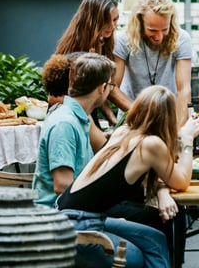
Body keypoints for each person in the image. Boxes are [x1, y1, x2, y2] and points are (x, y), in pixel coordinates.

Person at [57, 85, 199, 268]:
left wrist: (163, 190)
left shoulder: (123, 132)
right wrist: (187, 139)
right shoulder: (151, 144)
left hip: (67, 217)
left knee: (155, 237)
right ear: (168, 119)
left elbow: (158, 177)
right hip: (81, 227)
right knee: (142, 257)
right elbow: (181, 181)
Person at [33, 53, 146, 267]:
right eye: (112, 86)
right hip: (62, 221)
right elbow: (62, 185)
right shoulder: (65, 123)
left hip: (81, 214)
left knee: (154, 237)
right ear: (103, 88)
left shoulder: (79, 117)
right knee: (138, 257)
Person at [56, 0, 132, 131]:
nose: (111, 26)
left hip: (88, 116)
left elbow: (102, 87)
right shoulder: (74, 51)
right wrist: (142, 113)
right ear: (92, 20)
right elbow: (56, 97)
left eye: (115, 20)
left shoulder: (103, 43)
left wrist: (111, 117)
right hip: (72, 120)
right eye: (105, 21)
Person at [113, 0, 192, 126]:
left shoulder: (182, 38)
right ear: (139, 23)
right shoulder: (122, 40)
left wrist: (177, 130)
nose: (159, 37)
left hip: (167, 115)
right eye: (152, 30)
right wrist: (140, 114)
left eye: (164, 30)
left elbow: (184, 89)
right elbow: (112, 87)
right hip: (131, 115)